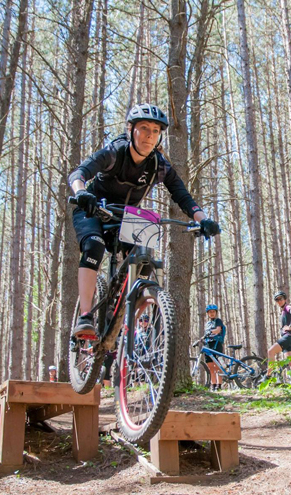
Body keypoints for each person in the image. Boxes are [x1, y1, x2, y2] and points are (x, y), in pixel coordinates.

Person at [68, 103, 221, 339]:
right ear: (130, 129)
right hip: (93, 208)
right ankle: (86, 316)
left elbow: (182, 195)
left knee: (145, 260)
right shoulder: (114, 153)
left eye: (156, 130)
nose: (150, 135)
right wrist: (81, 193)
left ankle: (123, 313)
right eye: (144, 128)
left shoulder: (159, 165)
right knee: (94, 245)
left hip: (126, 215)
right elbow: (79, 173)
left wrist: (203, 219)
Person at [266, 291, 291, 377]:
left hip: (288, 337)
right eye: (277, 300)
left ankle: (268, 375)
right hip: (290, 339)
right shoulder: (283, 310)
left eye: (281, 299)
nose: (279, 301)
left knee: (270, 351)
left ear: (285, 299)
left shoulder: (287, 307)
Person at [203, 304, 226, 391]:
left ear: (216, 312)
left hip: (216, 345)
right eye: (210, 312)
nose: (212, 314)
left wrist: (211, 331)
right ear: (208, 313)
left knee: (217, 366)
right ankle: (213, 385)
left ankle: (219, 385)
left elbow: (218, 330)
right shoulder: (207, 324)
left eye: (213, 312)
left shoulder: (218, 321)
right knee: (210, 367)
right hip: (208, 345)